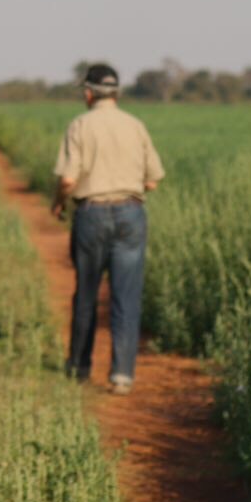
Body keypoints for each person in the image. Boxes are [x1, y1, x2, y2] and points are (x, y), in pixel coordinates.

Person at [51, 63, 165, 395]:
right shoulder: (135, 125)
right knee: (125, 296)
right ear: (116, 93)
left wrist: (57, 202)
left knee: (86, 294)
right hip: (131, 214)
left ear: (88, 93)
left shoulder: (80, 125)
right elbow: (153, 180)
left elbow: (69, 179)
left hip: (91, 214)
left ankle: (80, 366)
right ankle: (121, 375)